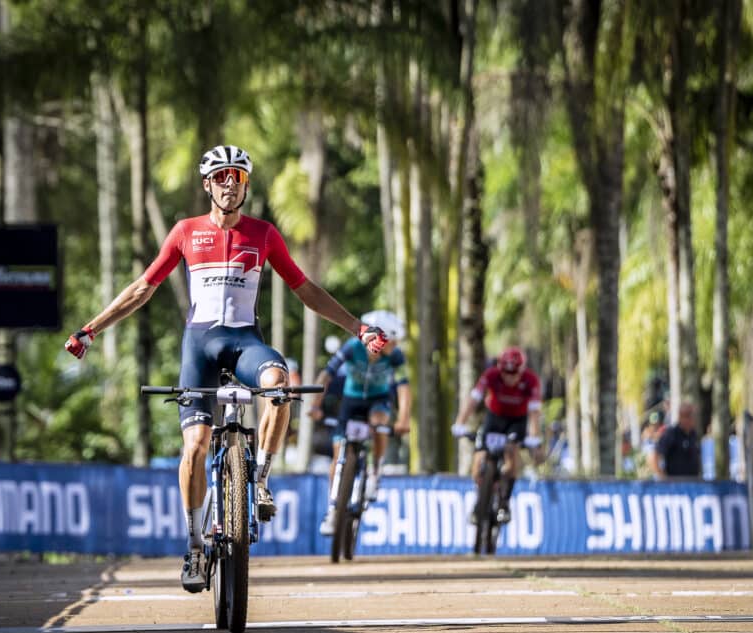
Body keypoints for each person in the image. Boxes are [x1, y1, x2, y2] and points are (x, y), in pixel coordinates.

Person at [64, 145, 390, 591]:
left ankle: (259, 480)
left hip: (244, 344)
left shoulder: (264, 234)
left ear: (245, 184)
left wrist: (357, 327)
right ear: (207, 185)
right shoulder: (185, 232)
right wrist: (90, 329)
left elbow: (305, 288)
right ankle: (194, 547)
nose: (229, 183)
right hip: (199, 347)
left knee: (280, 385)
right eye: (220, 176)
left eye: (236, 176)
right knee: (195, 447)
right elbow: (143, 288)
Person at [309, 310, 411, 535]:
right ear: (380, 338)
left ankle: (375, 470)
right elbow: (326, 375)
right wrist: (315, 405)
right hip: (351, 401)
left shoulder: (396, 357)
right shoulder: (352, 347)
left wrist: (404, 418)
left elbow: (404, 388)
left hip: (378, 400)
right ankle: (333, 510)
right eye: (393, 342)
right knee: (337, 455)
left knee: (379, 422)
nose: (395, 346)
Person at [450, 346, 543, 525]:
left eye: (514, 373)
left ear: (521, 370)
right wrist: (460, 423)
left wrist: (534, 438)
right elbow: (473, 400)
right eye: (505, 373)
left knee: (511, 453)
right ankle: (481, 497)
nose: (509, 377)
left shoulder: (531, 381)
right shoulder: (491, 375)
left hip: (517, 421)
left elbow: (534, 413)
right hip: (494, 419)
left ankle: (505, 503)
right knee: (479, 459)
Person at [649, 402, 701, 479]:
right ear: (682, 417)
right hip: (676, 486)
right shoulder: (672, 433)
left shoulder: (693, 434)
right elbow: (653, 457)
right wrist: (662, 477)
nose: (694, 419)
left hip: (693, 484)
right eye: (691, 416)